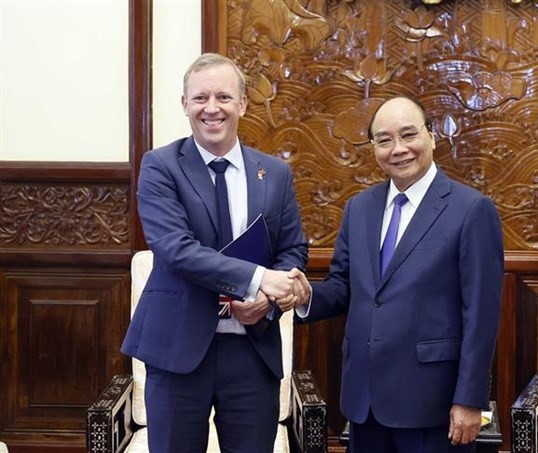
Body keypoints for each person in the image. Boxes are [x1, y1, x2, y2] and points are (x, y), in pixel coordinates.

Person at [286, 96, 504, 452]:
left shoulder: (471, 210)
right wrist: (307, 295)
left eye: (408, 135)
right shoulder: (360, 208)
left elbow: (481, 315)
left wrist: (470, 399)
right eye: (384, 140)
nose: (398, 149)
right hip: (365, 402)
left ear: (431, 136)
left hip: (432, 405)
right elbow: (344, 286)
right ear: (373, 148)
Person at [121, 53, 308, 453]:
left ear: (242, 104)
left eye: (223, 96)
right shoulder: (160, 166)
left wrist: (269, 300)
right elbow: (176, 250)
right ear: (185, 104)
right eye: (200, 97)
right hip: (177, 349)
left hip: (252, 351)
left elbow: (292, 249)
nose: (211, 108)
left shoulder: (274, 173)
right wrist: (259, 279)